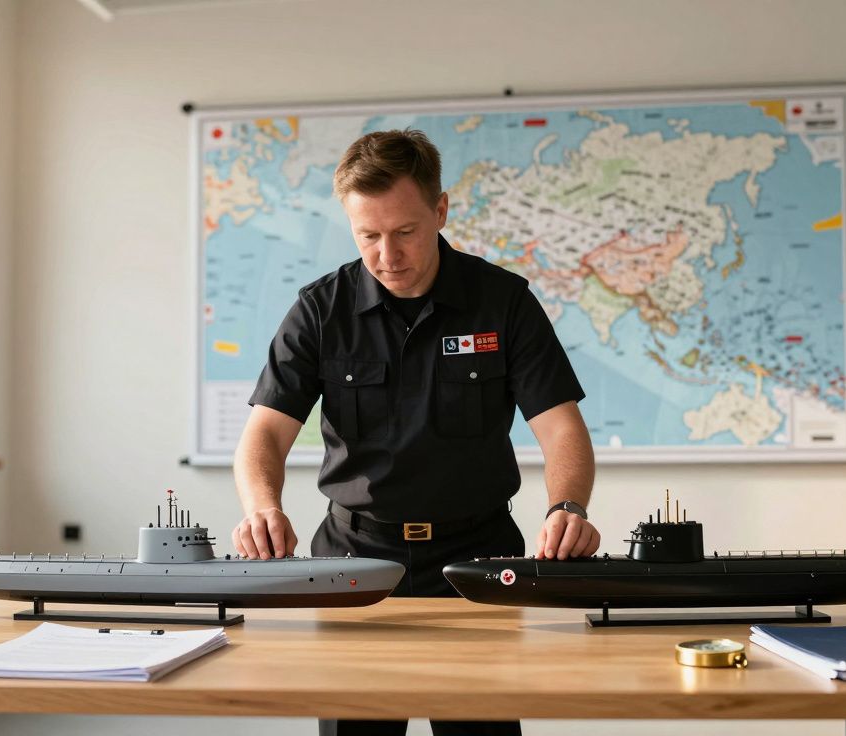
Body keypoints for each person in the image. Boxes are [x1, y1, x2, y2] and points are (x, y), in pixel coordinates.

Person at [232, 129, 600, 736]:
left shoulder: (503, 302)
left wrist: (568, 506)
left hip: (478, 563)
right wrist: (261, 507)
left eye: (405, 231)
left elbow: (561, 429)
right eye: (368, 236)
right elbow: (264, 435)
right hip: (354, 563)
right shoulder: (320, 310)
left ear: (441, 210)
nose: (388, 255)